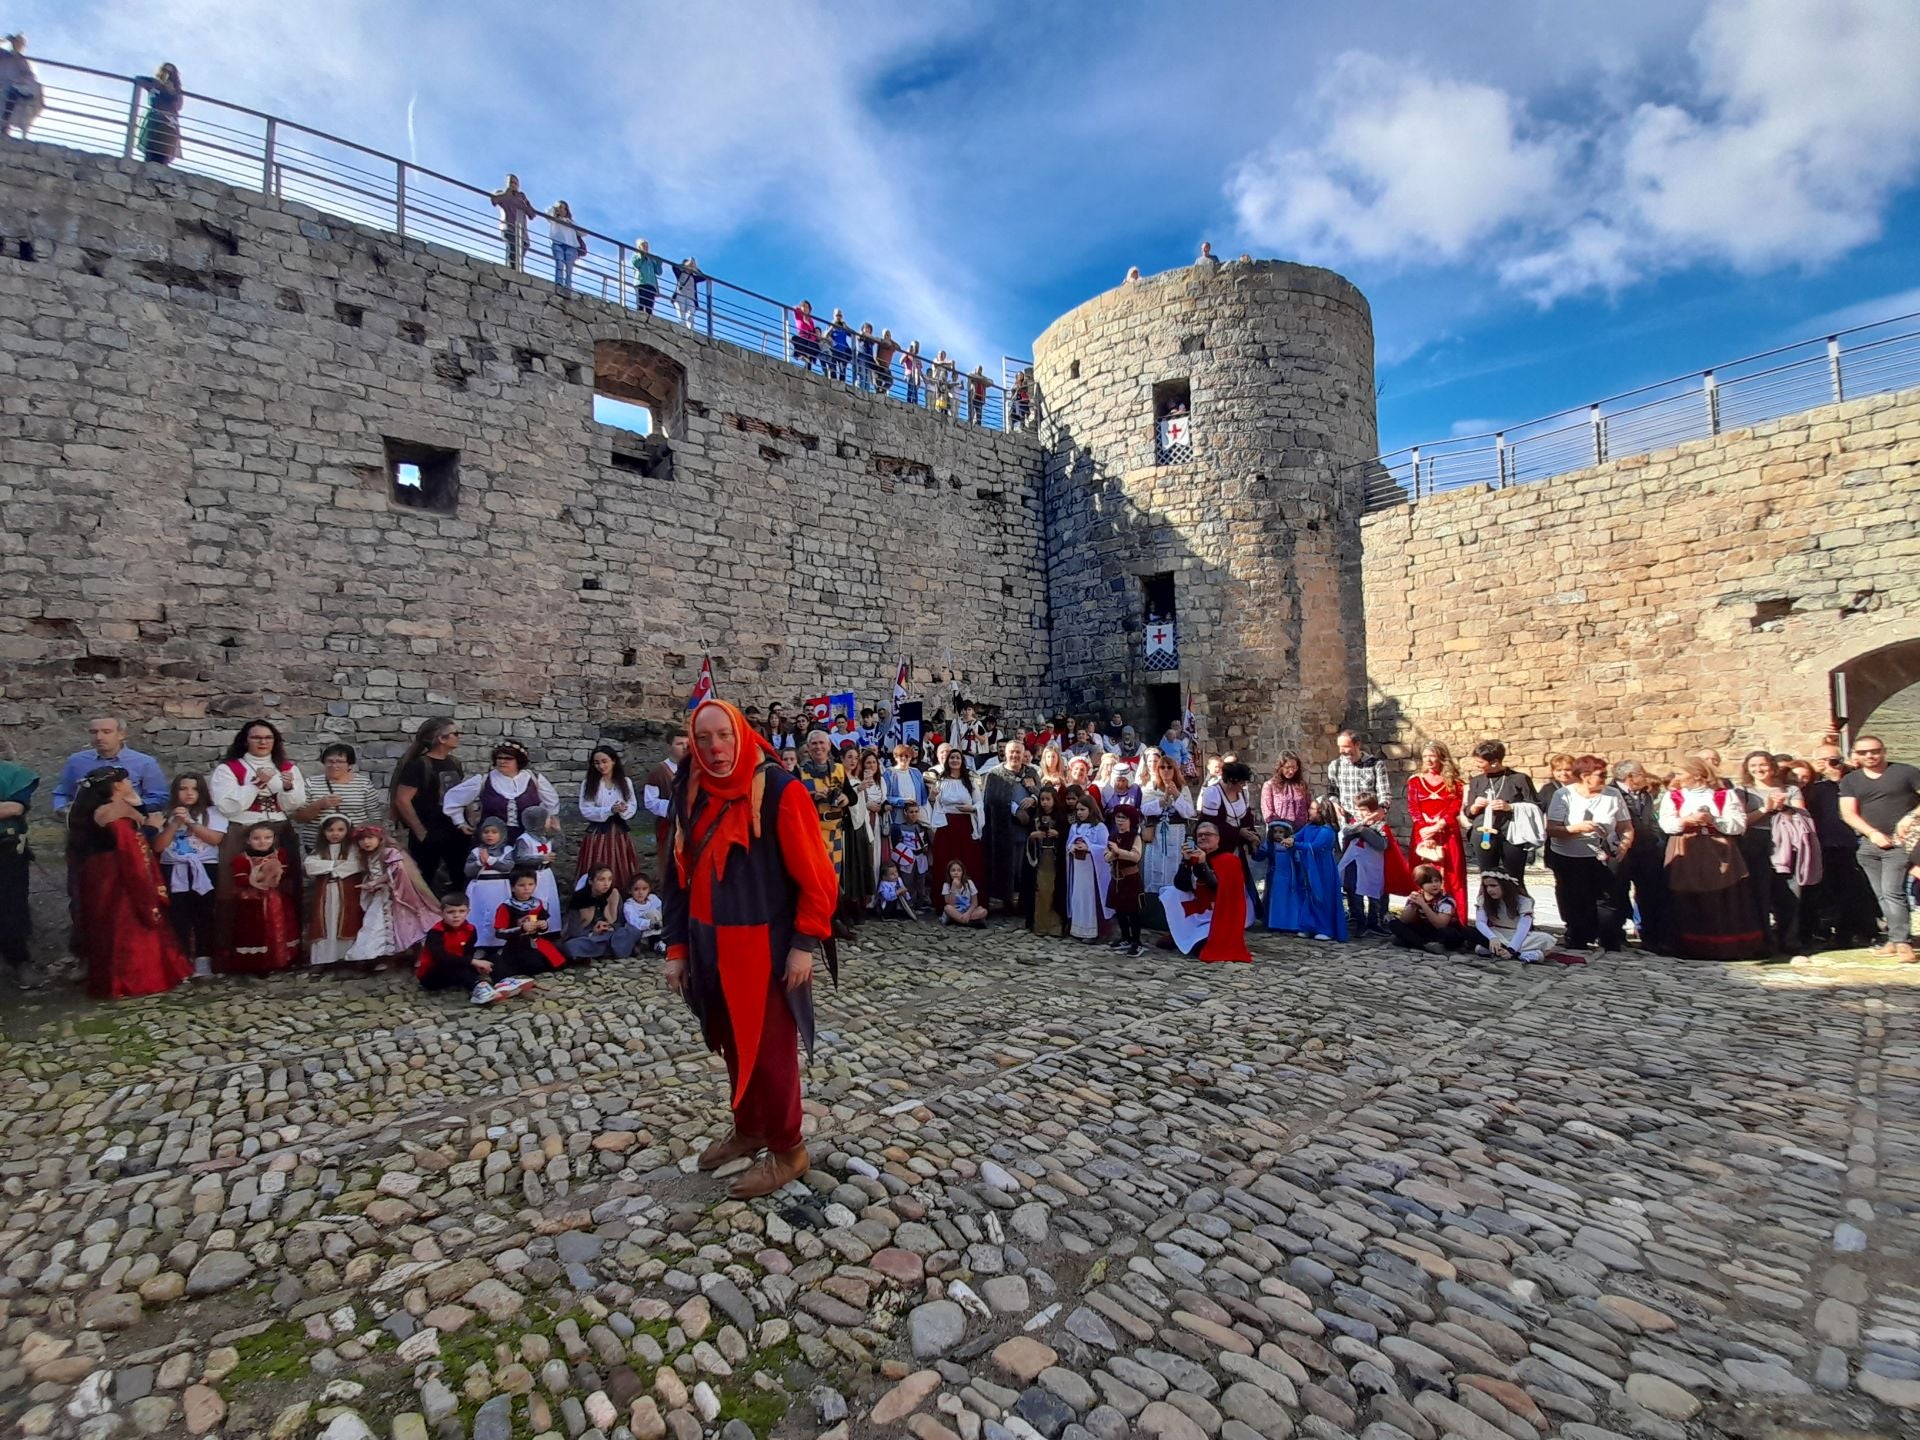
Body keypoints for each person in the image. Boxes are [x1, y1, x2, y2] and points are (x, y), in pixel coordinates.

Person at [662, 699, 839, 1199]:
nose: (715, 749)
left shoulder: (779, 790)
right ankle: (751, 1127)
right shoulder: (690, 789)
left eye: (724, 736)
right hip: (706, 941)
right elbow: (676, 875)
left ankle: (789, 1150)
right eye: (703, 739)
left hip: (763, 944)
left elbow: (818, 878)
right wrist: (677, 945)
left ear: (742, 735)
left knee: (771, 1054)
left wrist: (804, 943)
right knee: (730, 1042)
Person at [68, 766, 191, 999]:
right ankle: (131, 980)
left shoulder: (94, 809)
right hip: (118, 875)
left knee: (104, 924)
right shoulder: (115, 812)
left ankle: (109, 979)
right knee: (125, 924)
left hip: (98, 873)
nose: (130, 783)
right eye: (127, 781)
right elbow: (131, 849)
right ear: (117, 786)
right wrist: (151, 828)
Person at [210, 719, 307, 972]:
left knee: (284, 888)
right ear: (245, 740)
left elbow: (294, 804)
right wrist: (255, 784)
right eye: (257, 737)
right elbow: (227, 805)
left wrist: (286, 786)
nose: (263, 742)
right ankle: (240, 956)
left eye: (268, 738)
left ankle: (286, 952)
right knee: (239, 890)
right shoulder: (230, 769)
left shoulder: (286, 767)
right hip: (243, 831)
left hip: (279, 829)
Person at [1659, 756, 1767, 961]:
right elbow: (1666, 824)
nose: (1677, 778)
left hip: (1719, 850)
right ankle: (1689, 946)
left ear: (1697, 774)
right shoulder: (1674, 797)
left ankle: (1724, 947)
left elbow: (1738, 825)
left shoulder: (1724, 796)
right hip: (1686, 847)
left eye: (1681, 773)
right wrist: (1686, 820)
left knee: (1723, 896)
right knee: (1687, 895)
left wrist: (1713, 820)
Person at [1839, 735, 1920, 962]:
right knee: (1881, 894)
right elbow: (1848, 813)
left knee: (1893, 892)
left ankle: (1903, 943)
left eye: (1874, 751)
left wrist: (1910, 817)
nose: (1869, 756)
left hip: (1900, 843)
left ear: (1883, 751)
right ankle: (1895, 940)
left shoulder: (1906, 772)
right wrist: (1872, 833)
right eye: (1863, 752)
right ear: (1855, 755)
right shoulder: (1851, 780)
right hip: (1868, 845)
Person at [1545, 755, 1630, 953]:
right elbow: (1552, 829)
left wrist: (1624, 844)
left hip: (1603, 853)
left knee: (1608, 897)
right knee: (1576, 897)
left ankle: (1609, 938)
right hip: (1570, 855)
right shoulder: (1564, 795)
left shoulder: (1613, 795)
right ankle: (1579, 937)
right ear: (1585, 776)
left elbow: (1625, 826)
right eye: (1600, 775)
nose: (1604, 779)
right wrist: (1576, 829)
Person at [149, 774, 224, 979]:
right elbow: (158, 846)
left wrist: (190, 822)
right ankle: (180, 962)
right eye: (183, 788)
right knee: (177, 916)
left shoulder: (212, 813)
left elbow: (215, 838)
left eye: (194, 789)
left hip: (204, 868)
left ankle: (203, 960)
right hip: (173, 868)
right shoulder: (162, 815)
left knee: (204, 914)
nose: (189, 793)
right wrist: (174, 823)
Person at [1736, 749, 1808, 956]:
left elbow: (1802, 815)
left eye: (1763, 765)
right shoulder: (1743, 791)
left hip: (1787, 842)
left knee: (1789, 892)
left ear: (1773, 766)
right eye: (1753, 766)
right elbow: (1742, 822)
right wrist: (1765, 809)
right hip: (1755, 843)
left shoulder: (1790, 789)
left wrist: (1784, 806)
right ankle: (1763, 941)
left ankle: (1789, 940)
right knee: (1759, 893)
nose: (1759, 769)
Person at [1802, 751, 1877, 950]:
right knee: (1827, 893)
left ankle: (1856, 933)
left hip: (1854, 842)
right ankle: (1825, 933)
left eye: (1834, 759)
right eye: (1825, 759)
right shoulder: (1815, 787)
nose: (1831, 763)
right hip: (1825, 845)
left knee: (1857, 891)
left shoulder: (1855, 782)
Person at [346, 824, 439, 968]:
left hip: (399, 895)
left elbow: (397, 870)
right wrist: (370, 885)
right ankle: (385, 957)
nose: (366, 842)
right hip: (381, 896)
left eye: (370, 838)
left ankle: (419, 954)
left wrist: (377, 881)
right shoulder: (366, 857)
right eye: (362, 840)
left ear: (380, 838)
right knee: (379, 924)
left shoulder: (389, 853)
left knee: (410, 924)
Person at [391, 718, 466, 892]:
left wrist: (465, 822)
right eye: (455, 733)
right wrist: (420, 831)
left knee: (458, 880)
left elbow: (460, 794)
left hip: (454, 831)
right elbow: (402, 799)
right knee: (425, 882)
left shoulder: (454, 763)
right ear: (441, 738)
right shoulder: (418, 765)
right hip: (429, 833)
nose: (458, 737)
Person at [1163, 819, 1252, 962]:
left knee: (1200, 948)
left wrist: (1203, 864)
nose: (1203, 837)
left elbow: (1218, 888)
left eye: (1208, 834)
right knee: (1171, 892)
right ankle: (1181, 935)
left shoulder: (1229, 860)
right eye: (1200, 835)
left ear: (1218, 839)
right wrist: (1185, 861)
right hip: (1199, 909)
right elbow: (1181, 886)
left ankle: (1190, 938)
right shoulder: (1193, 857)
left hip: (1219, 914)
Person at [441, 742, 559, 843]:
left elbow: (551, 803)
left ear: (519, 760)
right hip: (491, 840)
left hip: (528, 839)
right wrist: (460, 822)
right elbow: (454, 798)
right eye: (499, 758)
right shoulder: (484, 780)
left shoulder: (534, 779)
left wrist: (546, 823)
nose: (502, 761)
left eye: (508, 758)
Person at [223, 821, 301, 974]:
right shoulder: (241, 859)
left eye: (267, 838)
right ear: (248, 840)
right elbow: (240, 879)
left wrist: (273, 875)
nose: (262, 842)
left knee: (280, 926)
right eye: (256, 838)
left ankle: (283, 959)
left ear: (274, 839)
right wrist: (260, 876)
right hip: (252, 902)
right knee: (255, 930)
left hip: (277, 899)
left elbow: (284, 873)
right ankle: (257, 963)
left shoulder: (281, 854)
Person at [1613, 761, 1673, 954]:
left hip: (1646, 851)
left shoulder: (1644, 794)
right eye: (1641, 774)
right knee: (1619, 893)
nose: (1645, 777)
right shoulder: (1612, 792)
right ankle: (1617, 934)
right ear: (1630, 777)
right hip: (1622, 850)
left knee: (1649, 893)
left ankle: (1650, 936)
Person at [1403, 742, 1468, 918]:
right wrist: (1426, 831)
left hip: (1447, 833)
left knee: (1451, 876)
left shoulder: (1455, 783)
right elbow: (1413, 808)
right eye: (1425, 756)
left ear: (1441, 757)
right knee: (1422, 873)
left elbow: (1454, 806)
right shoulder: (1416, 781)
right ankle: (1419, 919)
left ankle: (1452, 919)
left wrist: (1438, 826)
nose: (1429, 760)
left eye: (1432, 756)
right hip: (1422, 834)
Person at [53, 717, 169, 814]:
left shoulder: (144, 763)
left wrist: (130, 808)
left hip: (127, 828)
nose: (99, 737)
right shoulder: (76, 761)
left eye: (106, 732)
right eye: (94, 732)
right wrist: (62, 808)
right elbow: (63, 792)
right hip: (84, 830)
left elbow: (158, 798)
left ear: (121, 734)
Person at [1267, 801, 1347, 941]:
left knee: (1322, 896)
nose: (1309, 811)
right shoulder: (1309, 827)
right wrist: (1289, 839)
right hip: (1308, 868)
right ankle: (1309, 926)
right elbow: (1297, 836)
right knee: (1307, 895)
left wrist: (1294, 844)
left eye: (1312, 809)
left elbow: (1314, 847)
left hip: (1322, 868)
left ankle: (1325, 929)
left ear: (1321, 812)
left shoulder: (1327, 831)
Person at [1462, 740, 1539, 884]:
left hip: (1512, 834)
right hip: (1483, 835)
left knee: (1514, 878)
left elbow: (1536, 807)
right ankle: (1488, 906)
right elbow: (1468, 812)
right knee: (1487, 877)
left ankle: (1515, 906)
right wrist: (1475, 807)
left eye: (1480, 762)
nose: (1477, 766)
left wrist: (1510, 807)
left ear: (1494, 762)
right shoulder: (1477, 781)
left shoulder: (1519, 779)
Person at [1338, 792, 1410, 936]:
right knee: (1354, 891)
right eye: (1357, 809)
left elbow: (1382, 844)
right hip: (1355, 864)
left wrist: (1364, 831)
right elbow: (1346, 833)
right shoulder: (1353, 823)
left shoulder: (1380, 825)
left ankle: (1374, 921)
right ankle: (1360, 922)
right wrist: (1360, 826)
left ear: (1372, 810)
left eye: (1363, 810)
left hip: (1374, 866)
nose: (1360, 813)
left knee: (1374, 893)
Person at [982, 742, 1039, 914]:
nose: (1015, 756)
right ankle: (1006, 901)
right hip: (1003, 829)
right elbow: (992, 800)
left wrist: (1034, 797)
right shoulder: (995, 774)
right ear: (1006, 754)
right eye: (1012, 752)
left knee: (1023, 867)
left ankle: (1023, 902)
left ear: (1023, 754)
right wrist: (1015, 810)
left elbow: (1043, 793)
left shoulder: (1031, 772)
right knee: (1007, 865)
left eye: (1018, 752)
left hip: (1026, 830)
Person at [302, 813, 364, 969]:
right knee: (326, 923)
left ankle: (348, 957)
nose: (335, 833)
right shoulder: (319, 850)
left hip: (347, 892)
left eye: (340, 829)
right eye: (331, 830)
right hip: (326, 893)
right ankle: (323, 959)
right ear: (324, 832)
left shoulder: (353, 849)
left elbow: (355, 865)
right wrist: (334, 864)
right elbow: (310, 866)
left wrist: (328, 868)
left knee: (347, 920)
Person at [577, 744, 641, 895]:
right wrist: (609, 810)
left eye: (604, 761)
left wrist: (624, 810)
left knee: (622, 864)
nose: (601, 766)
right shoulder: (589, 784)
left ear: (613, 761)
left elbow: (632, 805)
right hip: (598, 833)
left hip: (619, 832)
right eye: (597, 763)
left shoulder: (625, 782)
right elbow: (586, 809)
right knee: (597, 864)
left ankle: (620, 902)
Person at [295, 743, 380, 846]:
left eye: (340, 762)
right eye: (330, 761)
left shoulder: (363, 784)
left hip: (354, 845)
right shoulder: (310, 783)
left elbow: (374, 818)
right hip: (318, 847)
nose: (334, 766)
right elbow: (298, 818)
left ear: (350, 765)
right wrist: (319, 805)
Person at [928, 749, 985, 895]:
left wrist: (971, 808)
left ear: (962, 761)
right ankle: (945, 900)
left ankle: (969, 898)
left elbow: (979, 803)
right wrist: (932, 797)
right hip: (946, 826)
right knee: (945, 861)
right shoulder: (941, 781)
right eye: (952, 757)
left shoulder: (969, 781)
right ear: (948, 761)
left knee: (967, 860)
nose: (954, 760)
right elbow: (936, 804)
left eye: (957, 758)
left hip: (965, 825)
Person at [415, 895, 493, 1000]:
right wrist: (472, 962)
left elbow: (469, 952)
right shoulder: (436, 933)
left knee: (492, 958)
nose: (456, 916)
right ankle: (478, 987)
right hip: (433, 973)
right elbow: (441, 958)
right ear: (442, 913)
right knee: (455, 967)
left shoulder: (470, 929)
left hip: (459, 965)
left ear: (468, 912)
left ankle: (501, 983)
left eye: (461, 911)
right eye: (451, 912)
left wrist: (475, 965)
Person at [0, 756, 36, 978]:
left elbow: (13, 808)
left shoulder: (13, 774)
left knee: (11, 908)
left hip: (5, 851)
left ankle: (19, 961)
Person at [494, 870, 567, 978]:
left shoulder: (537, 903)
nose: (527, 888)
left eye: (530, 884)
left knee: (562, 958)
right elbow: (499, 932)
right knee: (532, 965)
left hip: (536, 940)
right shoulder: (506, 907)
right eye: (521, 885)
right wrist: (521, 928)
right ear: (513, 887)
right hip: (516, 945)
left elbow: (543, 921)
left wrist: (543, 925)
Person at [1473, 872, 1557, 964]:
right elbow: (1480, 922)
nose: (1489, 890)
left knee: (1545, 939)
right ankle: (1521, 954)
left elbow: (1523, 927)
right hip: (1497, 934)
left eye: (1493, 886)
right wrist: (1492, 938)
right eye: (1486, 886)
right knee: (1479, 946)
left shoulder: (1524, 901)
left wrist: (1511, 949)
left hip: (1517, 935)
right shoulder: (1484, 900)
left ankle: (1509, 952)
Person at [564, 866, 640, 961]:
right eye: (601, 880)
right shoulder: (578, 899)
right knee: (571, 946)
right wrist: (593, 932)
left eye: (609, 879)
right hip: (589, 938)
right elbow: (573, 931)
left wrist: (610, 927)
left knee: (631, 931)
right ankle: (617, 949)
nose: (606, 884)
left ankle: (606, 950)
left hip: (612, 934)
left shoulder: (614, 895)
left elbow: (620, 923)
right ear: (591, 881)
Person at [464, 817, 517, 950]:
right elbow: (468, 870)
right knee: (480, 917)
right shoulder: (476, 852)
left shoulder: (507, 850)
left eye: (494, 832)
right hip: (481, 890)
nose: (489, 835)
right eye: (486, 832)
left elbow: (508, 866)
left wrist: (490, 860)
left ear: (502, 833)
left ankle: (501, 945)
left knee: (498, 915)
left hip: (500, 889)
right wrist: (479, 862)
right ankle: (480, 945)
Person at [1389, 864, 1469, 953]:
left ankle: (1411, 941)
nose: (1434, 885)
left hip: (1442, 931)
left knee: (1448, 933)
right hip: (1425, 931)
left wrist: (1424, 905)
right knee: (1393, 923)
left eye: (1436, 881)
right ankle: (1425, 945)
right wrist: (1413, 905)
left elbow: (1441, 924)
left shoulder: (1446, 899)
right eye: (1429, 882)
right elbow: (1404, 920)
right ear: (1420, 884)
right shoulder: (1417, 896)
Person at [1065, 795, 1112, 942]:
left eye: (1082, 809)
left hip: (1093, 871)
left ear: (1091, 810)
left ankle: (1093, 932)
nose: (1079, 812)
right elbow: (1068, 844)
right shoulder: (1074, 827)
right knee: (1078, 897)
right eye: (1077, 809)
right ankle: (1078, 929)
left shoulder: (1099, 827)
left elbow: (1106, 847)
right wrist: (1072, 847)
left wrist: (1089, 847)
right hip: (1079, 869)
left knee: (1090, 898)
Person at [642, 735, 688, 882]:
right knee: (670, 865)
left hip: (691, 825)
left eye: (687, 743)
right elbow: (650, 802)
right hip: (668, 827)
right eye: (680, 743)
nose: (685, 747)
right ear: (669, 747)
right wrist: (676, 808)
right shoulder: (658, 773)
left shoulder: (694, 769)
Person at [1024, 786, 1068, 937]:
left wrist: (1059, 835)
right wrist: (1033, 836)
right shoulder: (1035, 817)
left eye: (1048, 799)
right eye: (1042, 799)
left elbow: (1068, 837)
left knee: (1055, 890)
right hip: (1040, 859)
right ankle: (1039, 924)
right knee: (1041, 890)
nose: (1044, 802)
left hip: (1056, 860)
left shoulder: (1061, 818)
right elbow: (1028, 837)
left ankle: (1055, 926)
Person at [512, 805, 565, 922]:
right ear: (539, 822)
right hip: (532, 876)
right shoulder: (524, 839)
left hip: (546, 874)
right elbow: (519, 858)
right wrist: (541, 858)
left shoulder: (545, 838)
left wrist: (558, 830)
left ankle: (550, 929)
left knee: (550, 900)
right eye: (547, 819)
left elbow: (558, 844)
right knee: (536, 901)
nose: (549, 821)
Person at [1198, 760, 1261, 858]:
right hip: (1217, 846)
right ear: (1231, 781)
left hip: (1236, 845)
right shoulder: (1213, 794)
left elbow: (1247, 817)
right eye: (1241, 782)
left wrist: (1252, 837)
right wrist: (1238, 832)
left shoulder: (1243, 793)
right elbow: (1212, 824)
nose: (1244, 785)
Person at [1325, 731, 1391, 825]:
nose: (1341, 751)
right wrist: (1335, 805)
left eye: (1345, 747)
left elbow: (1384, 794)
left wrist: (1381, 809)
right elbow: (1332, 793)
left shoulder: (1376, 765)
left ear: (1357, 745)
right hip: (1346, 823)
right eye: (1339, 747)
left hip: (1371, 822)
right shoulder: (1335, 766)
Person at [1104, 806, 1145, 954]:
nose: (1120, 821)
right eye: (1118, 817)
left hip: (1130, 878)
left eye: (1124, 818)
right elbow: (1106, 856)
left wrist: (1118, 852)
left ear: (1131, 820)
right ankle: (1125, 937)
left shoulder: (1135, 837)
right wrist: (1111, 854)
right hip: (1116, 879)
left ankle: (1136, 941)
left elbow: (1135, 856)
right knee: (1120, 910)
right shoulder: (1112, 836)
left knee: (1132, 911)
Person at [135, 64, 184, 166]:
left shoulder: (176, 91)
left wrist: (171, 92)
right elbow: (138, 79)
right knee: (151, 150)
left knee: (164, 152)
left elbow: (178, 106)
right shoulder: (154, 83)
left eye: (171, 73)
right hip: (155, 120)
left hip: (169, 123)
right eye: (165, 71)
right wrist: (158, 85)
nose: (167, 75)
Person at [889, 799, 934, 906]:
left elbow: (928, 842)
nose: (914, 814)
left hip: (920, 857)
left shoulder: (923, 827)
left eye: (916, 811)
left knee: (920, 881)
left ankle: (921, 901)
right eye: (911, 812)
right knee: (907, 881)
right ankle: (908, 902)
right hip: (907, 858)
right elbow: (897, 845)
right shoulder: (899, 828)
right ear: (905, 813)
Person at [1, 33, 45, 140]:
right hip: (3, 85)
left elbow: (30, 76)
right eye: (16, 43)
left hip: (12, 88)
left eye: (20, 44)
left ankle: (5, 126)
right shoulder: (3, 54)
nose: (18, 46)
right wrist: (4, 41)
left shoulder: (22, 60)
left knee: (14, 95)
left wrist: (20, 81)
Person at [490, 175, 538, 271]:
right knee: (512, 247)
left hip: (522, 232)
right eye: (511, 182)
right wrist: (507, 191)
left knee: (519, 253)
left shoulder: (521, 198)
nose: (513, 185)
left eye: (515, 183)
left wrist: (526, 202)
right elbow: (495, 200)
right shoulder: (502, 193)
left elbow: (532, 215)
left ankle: (517, 271)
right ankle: (511, 271)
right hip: (508, 227)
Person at [623, 874, 666, 954]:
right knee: (651, 915)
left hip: (658, 927)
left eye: (644, 889)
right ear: (630, 890)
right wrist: (649, 924)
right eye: (636, 889)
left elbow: (662, 910)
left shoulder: (653, 899)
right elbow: (633, 920)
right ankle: (642, 945)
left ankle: (659, 944)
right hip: (643, 931)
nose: (640, 892)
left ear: (649, 889)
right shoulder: (629, 905)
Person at [548, 201, 585, 288]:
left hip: (571, 246)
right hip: (558, 243)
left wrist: (571, 224)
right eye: (560, 207)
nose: (562, 210)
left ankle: (568, 286)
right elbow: (548, 214)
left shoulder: (571, 221)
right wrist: (554, 207)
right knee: (559, 263)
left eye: (564, 208)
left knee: (569, 267)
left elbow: (583, 233)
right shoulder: (554, 219)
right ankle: (559, 283)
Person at [940, 861, 989, 928]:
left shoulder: (969, 883)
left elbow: (975, 903)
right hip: (955, 911)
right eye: (953, 870)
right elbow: (950, 903)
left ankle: (958, 920)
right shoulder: (946, 885)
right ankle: (970, 923)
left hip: (968, 910)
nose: (956, 873)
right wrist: (953, 887)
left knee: (983, 911)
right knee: (947, 908)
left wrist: (968, 914)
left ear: (962, 872)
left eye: (959, 870)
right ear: (949, 872)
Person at [631, 239, 662, 315]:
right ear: (639, 246)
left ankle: (647, 322)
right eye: (643, 245)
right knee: (640, 305)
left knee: (649, 308)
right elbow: (636, 264)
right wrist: (642, 255)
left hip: (651, 285)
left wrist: (658, 262)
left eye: (646, 246)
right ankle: (639, 322)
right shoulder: (636, 255)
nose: (645, 247)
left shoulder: (651, 259)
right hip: (641, 282)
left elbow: (659, 272)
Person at [672, 258, 704, 326]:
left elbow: (703, 277)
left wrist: (695, 268)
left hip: (691, 299)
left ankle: (690, 333)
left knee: (691, 318)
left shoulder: (694, 277)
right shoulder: (680, 273)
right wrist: (685, 265)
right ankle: (682, 330)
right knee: (681, 316)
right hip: (680, 296)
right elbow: (674, 266)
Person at [791, 300, 821, 372]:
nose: (805, 308)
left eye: (807, 307)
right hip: (802, 338)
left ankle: (808, 366)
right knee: (794, 338)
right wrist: (801, 311)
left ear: (809, 309)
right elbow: (794, 308)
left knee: (816, 347)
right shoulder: (798, 316)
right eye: (803, 306)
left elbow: (813, 332)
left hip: (810, 341)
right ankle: (801, 356)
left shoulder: (811, 320)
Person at [826, 310, 853, 383]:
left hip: (843, 351)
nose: (838, 317)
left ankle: (841, 385)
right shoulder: (830, 325)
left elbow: (851, 334)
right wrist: (832, 326)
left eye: (840, 315)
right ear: (834, 316)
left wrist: (845, 325)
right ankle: (833, 384)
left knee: (842, 370)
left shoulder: (843, 326)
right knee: (833, 369)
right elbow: (826, 335)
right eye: (837, 315)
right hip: (833, 350)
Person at [874, 329, 898, 394]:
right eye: (885, 334)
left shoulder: (892, 345)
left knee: (890, 381)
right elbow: (876, 339)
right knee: (878, 382)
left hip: (886, 367)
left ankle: (882, 391)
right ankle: (878, 393)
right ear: (883, 335)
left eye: (888, 334)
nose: (887, 336)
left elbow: (899, 348)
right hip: (879, 365)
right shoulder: (881, 341)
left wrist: (891, 341)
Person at [856, 323, 878, 391]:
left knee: (868, 379)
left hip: (869, 360)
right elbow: (860, 335)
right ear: (863, 329)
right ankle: (861, 392)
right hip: (862, 357)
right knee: (862, 376)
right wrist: (866, 334)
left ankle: (866, 394)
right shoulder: (860, 335)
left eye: (869, 329)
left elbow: (875, 340)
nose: (868, 330)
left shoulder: (871, 340)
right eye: (866, 328)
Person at [902, 341, 925, 406]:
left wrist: (921, 379)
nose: (917, 348)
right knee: (912, 388)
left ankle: (914, 403)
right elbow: (901, 361)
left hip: (916, 376)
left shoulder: (918, 358)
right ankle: (910, 402)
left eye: (918, 346)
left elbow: (919, 370)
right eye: (916, 346)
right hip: (909, 374)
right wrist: (907, 353)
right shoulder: (907, 353)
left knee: (914, 390)